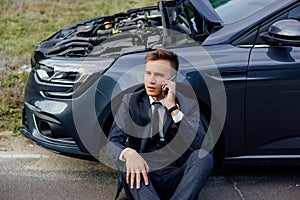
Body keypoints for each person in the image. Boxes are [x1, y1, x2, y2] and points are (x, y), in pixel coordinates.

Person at [105, 48, 213, 200]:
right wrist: (129, 154)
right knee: (126, 161)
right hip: (143, 174)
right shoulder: (131, 101)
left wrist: (173, 109)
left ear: (172, 79)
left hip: (176, 176)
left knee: (204, 157)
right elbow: (111, 143)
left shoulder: (187, 103)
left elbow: (199, 144)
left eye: (159, 75)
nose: (151, 80)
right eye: (148, 73)